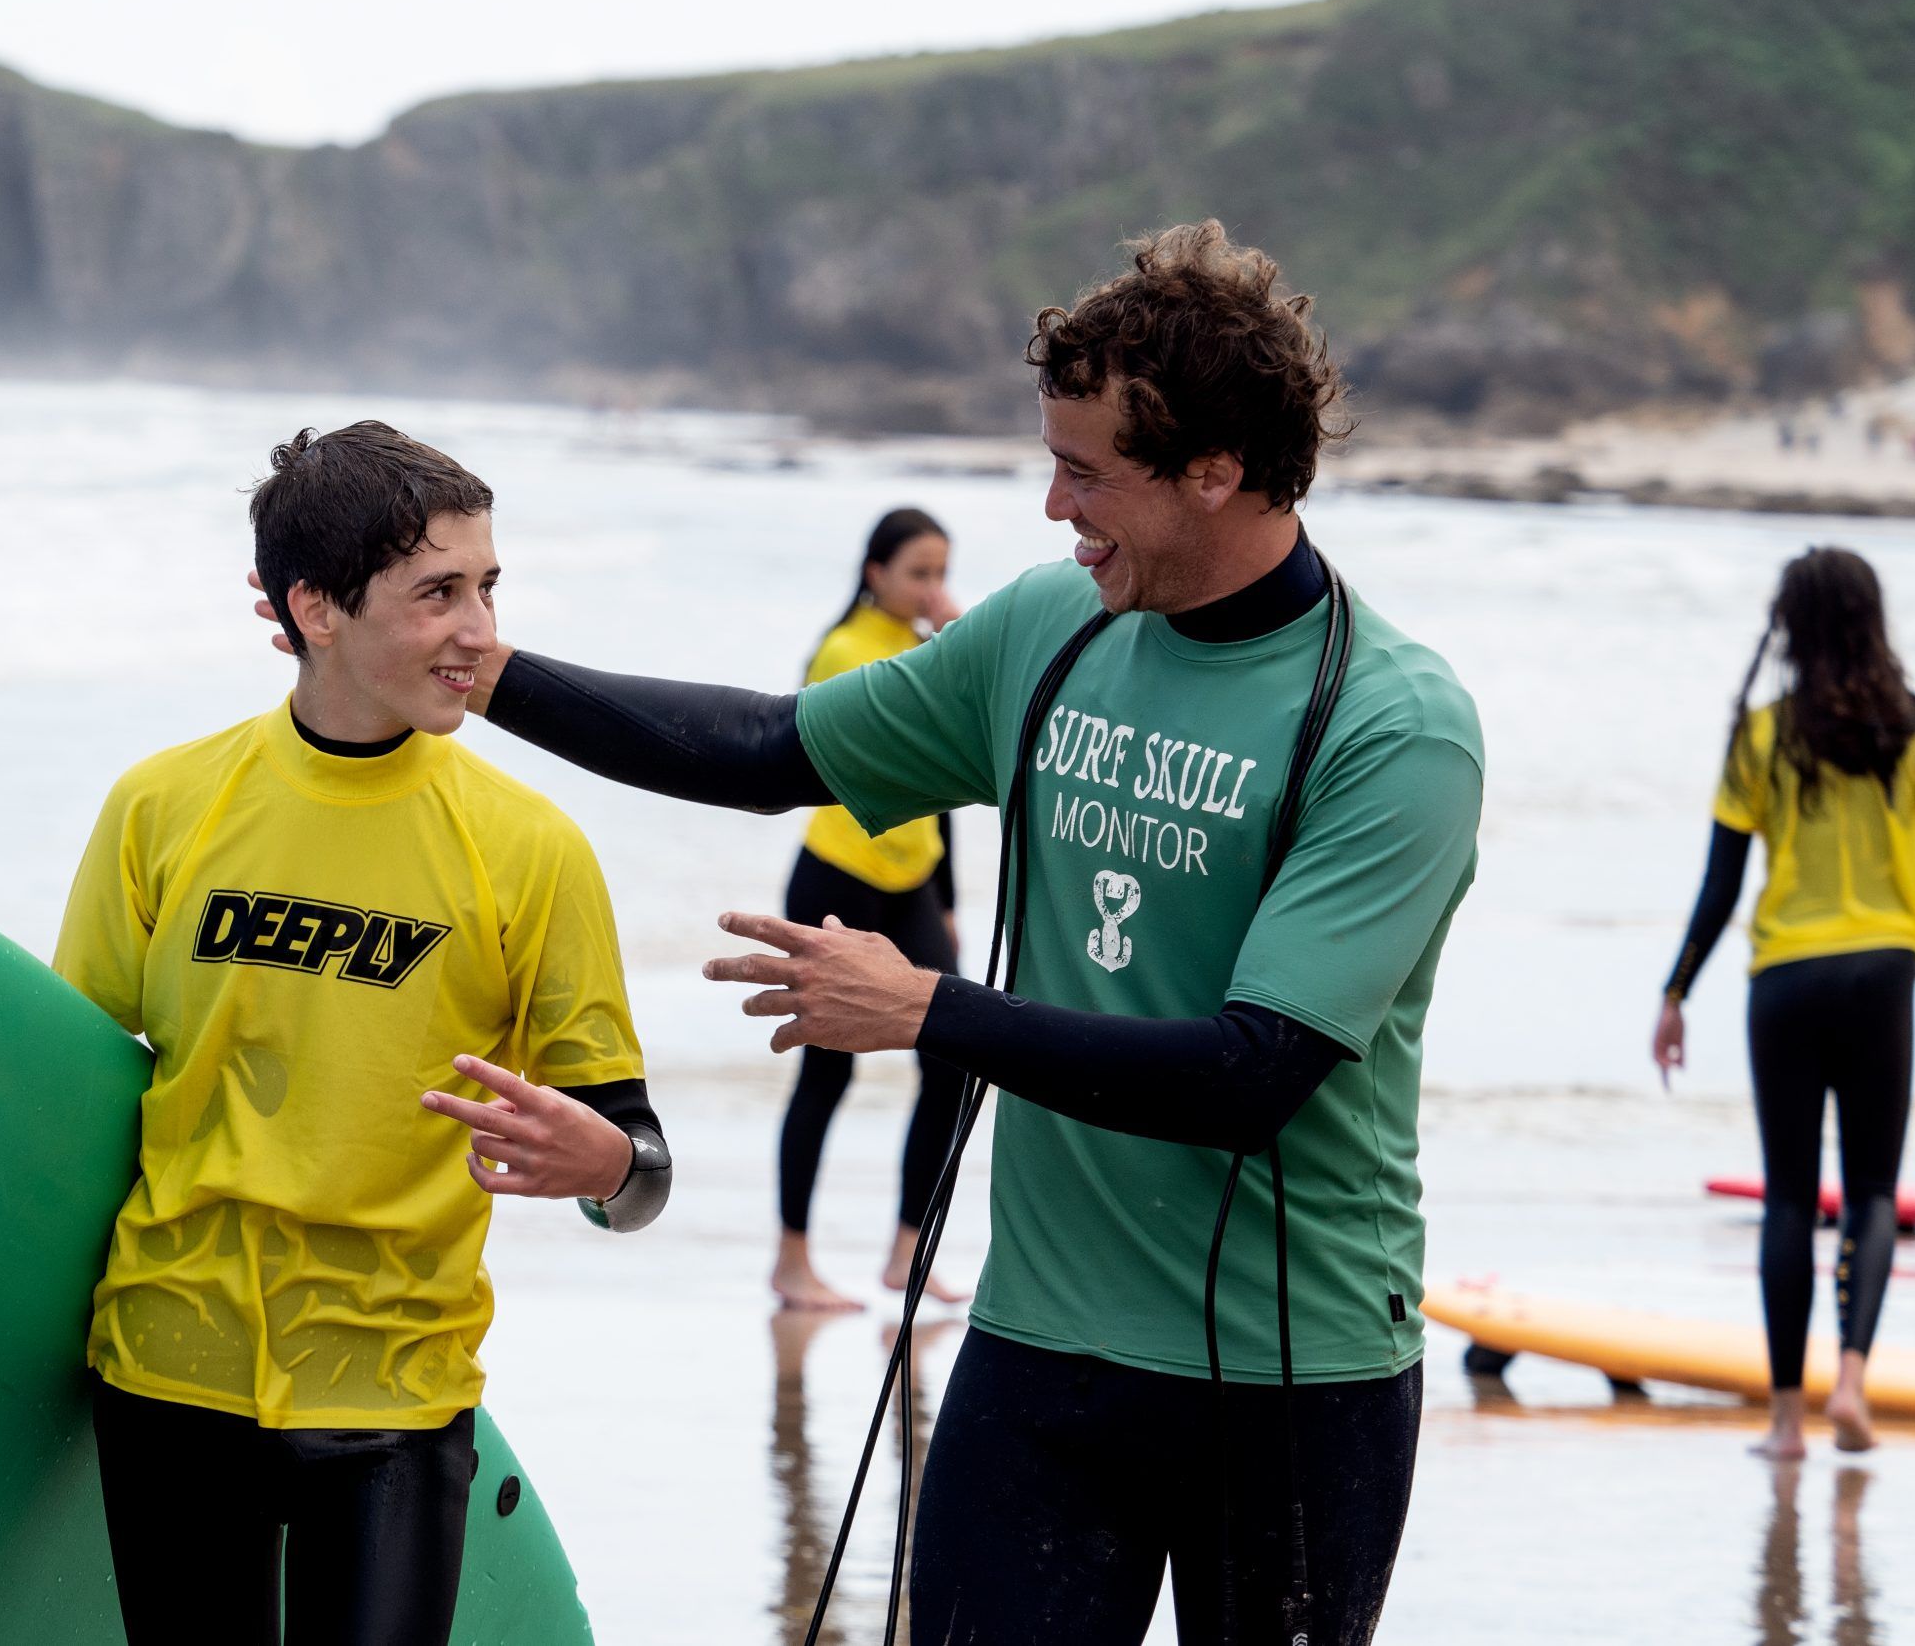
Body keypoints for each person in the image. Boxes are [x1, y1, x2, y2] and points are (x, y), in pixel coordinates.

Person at [265, 223, 1483, 1645]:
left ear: (1214, 471)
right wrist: (486, 666)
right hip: (1040, 1344)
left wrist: (929, 1009)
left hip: (1295, 1370)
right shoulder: (1055, 630)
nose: (1049, 504)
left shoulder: (1390, 723)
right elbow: (769, 746)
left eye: (1087, 471)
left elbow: (1251, 1072)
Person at [54, 422, 671, 1646]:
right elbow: (67, 1098)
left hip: (396, 1397)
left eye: (487, 587)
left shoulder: (529, 849)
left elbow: (636, 1167)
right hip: (167, 1372)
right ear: (315, 609)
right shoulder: (162, 810)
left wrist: (610, 1172)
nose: (481, 631)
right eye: (438, 592)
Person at [1654, 546, 1915, 1459]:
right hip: (1885, 971)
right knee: (1876, 1188)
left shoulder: (1764, 735)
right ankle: (1850, 1377)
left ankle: (1785, 1421)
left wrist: (1676, 989)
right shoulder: (1909, 732)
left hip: (1788, 982)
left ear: (1793, 626)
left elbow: (1721, 884)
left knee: (1791, 1200)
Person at [776, 506, 968, 1312]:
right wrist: (954, 654)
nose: (933, 589)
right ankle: (792, 1263)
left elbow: (953, 774)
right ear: (875, 573)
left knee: (954, 1061)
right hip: (839, 882)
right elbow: (889, 767)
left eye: (940, 573)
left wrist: (949, 900)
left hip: (913, 886)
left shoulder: (924, 651)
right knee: (827, 1071)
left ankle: (906, 1253)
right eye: (918, 572)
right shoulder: (845, 652)